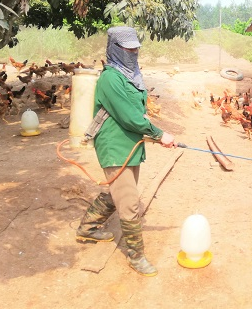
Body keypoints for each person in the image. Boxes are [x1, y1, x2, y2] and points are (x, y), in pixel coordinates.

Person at [75, 26, 176, 277]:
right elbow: (128, 115)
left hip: (130, 142)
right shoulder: (111, 78)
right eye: (128, 48)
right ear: (114, 49)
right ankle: (136, 256)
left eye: (136, 48)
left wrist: (148, 130)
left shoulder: (131, 74)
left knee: (118, 190)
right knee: (130, 203)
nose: (133, 52)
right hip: (114, 144)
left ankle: (87, 229)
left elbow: (136, 110)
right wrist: (159, 133)